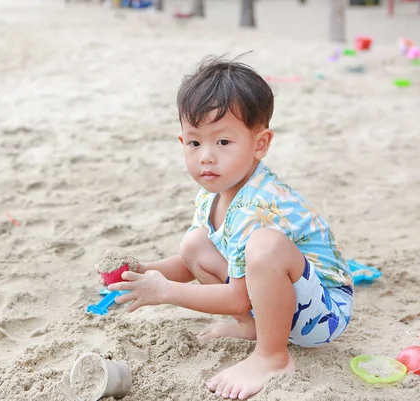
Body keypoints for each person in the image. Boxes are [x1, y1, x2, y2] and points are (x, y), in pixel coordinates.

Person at [107, 55, 354, 400]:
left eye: (223, 142)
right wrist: (144, 273)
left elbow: (239, 296)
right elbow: (190, 262)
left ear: (260, 144)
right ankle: (254, 327)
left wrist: (165, 292)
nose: (206, 155)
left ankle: (272, 356)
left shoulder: (257, 205)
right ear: (183, 143)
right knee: (194, 243)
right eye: (195, 142)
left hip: (323, 310)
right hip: (278, 299)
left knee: (264, 245)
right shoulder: (213, 194)